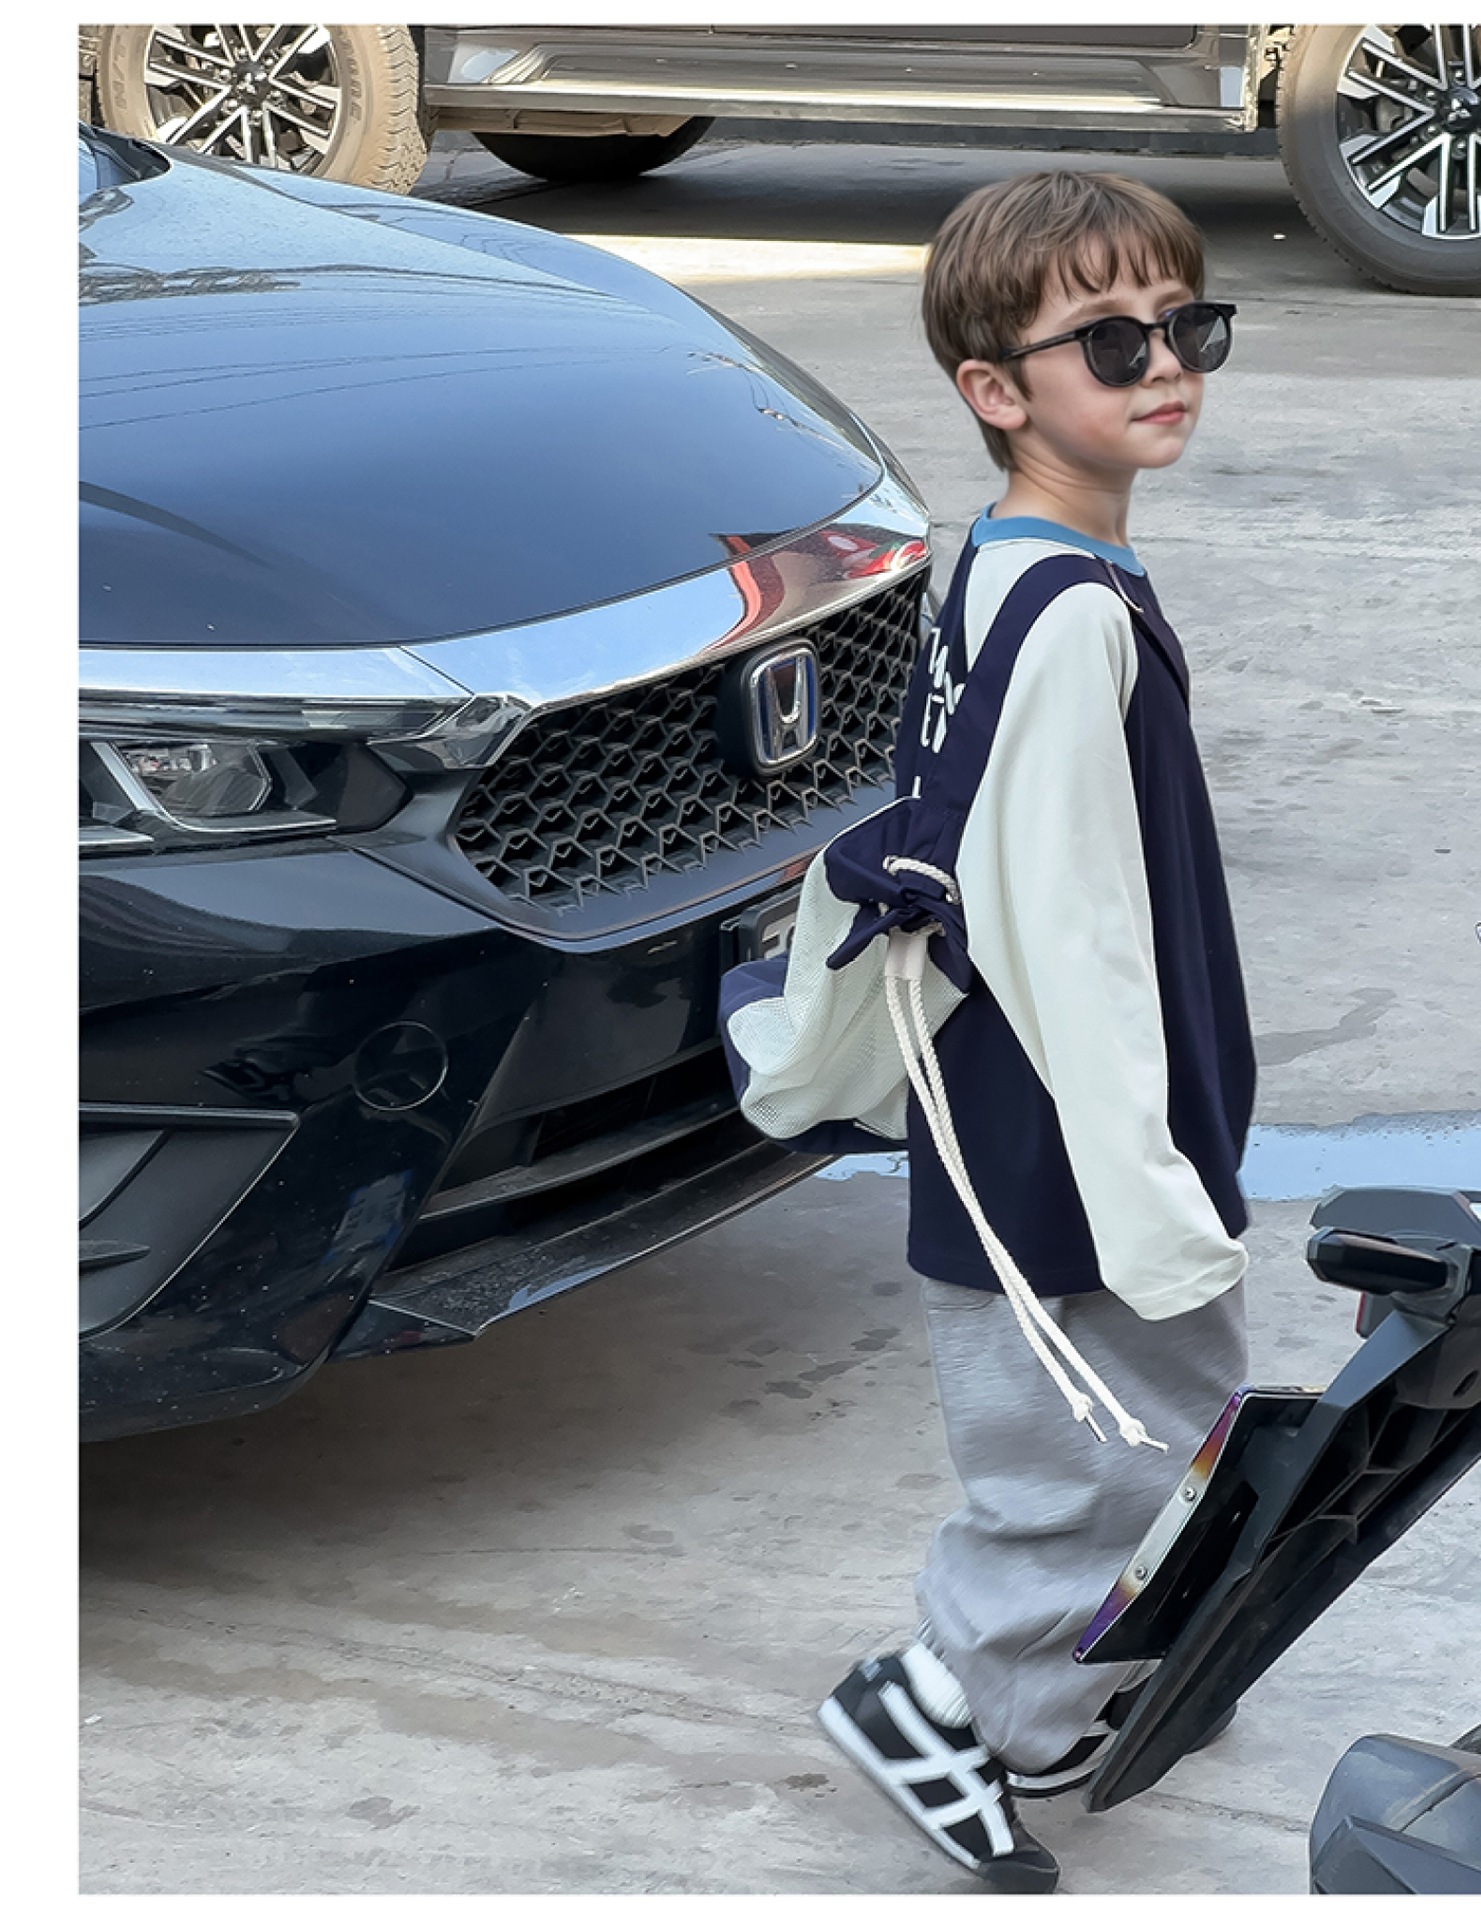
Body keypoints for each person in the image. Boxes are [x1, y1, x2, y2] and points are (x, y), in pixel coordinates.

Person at [814, 170, 1257, 1894]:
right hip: (1062, 1122)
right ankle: (941, 1698)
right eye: (1111, 342)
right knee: (1108, 1442)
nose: (1166, 366)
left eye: (1184, 325)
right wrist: (1146, 1172)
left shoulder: (1002, 565)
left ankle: (1057, 1691)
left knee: (1110, 1424)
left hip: (1026, 1099)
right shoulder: (1069, 615)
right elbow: (1067, 930)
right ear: (993, 389)